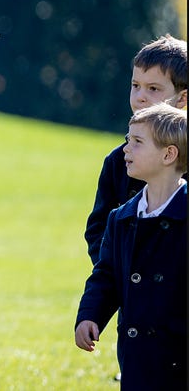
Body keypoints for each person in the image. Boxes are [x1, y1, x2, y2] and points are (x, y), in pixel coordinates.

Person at [74, 103, 187, 389]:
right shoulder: (121, 218)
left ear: (168, 154)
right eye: (127, 140)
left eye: (137, 142)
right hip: (137, 358)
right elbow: (106, 275)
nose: (125, 149)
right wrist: (90, 315)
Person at [83, 35, 186, 264]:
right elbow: (97, 229)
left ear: (182, 99)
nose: (140, 97)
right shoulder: (118, 161)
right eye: (136, 86)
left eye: (153, 88)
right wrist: (116, 271)